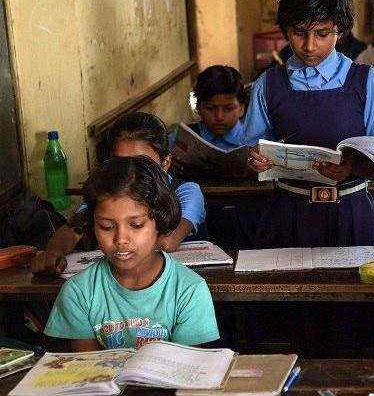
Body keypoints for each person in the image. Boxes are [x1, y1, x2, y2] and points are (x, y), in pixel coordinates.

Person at [242, 0, 374, 248]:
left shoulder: (366, 81)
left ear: (340, 29)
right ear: (285, 29)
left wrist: (350, 166)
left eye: (322, 33)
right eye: (299, 32)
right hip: (288, 216)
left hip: (352, 214)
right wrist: (254, 161)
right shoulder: (267, 84)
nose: (309, 45)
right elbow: (251, 158)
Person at [44, 156, 219, 351]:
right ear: (92, 225)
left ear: (160, 222)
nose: (121, 239)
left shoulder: (189, 290)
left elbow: (183, 365)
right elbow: (88, 366)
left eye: (136, 225)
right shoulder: (78, 293)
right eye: (107, 226)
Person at [32, 112, 207, 276]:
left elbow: (168, 242)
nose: (131, 170)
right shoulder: (106, 193)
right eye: (120, 162)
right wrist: (53, 253)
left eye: (142, 163)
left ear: (165, 163)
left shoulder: (187, 191)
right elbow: (73, 229)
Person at [170, 65, 247, 153]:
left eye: (228, 109)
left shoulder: (254, 140)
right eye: (210, 108)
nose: (219, 117)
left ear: (241, 108)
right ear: (198, 107)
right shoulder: (178, 139)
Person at [275, 30, 366, 64]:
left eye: (322, 34)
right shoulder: (289, 52)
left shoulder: (362, 52)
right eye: (300, 33)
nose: (309, 47)